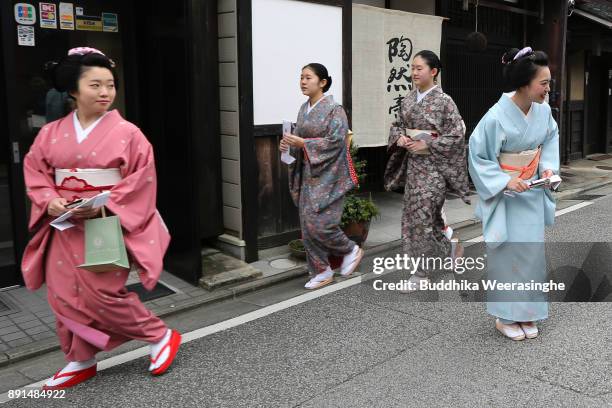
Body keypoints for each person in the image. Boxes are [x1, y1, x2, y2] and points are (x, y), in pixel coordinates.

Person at [21, 47, 181, 389]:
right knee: (63, 295)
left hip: (106, 223)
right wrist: (49, 200)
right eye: (95, 85)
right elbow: (36, 170)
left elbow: (143, 177)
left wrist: (108, 203)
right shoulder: (51, 133)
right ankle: (81, 358)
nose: (106, 92)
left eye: (110, 85)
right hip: (64, 226)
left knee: (101, 292)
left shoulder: (129, 133)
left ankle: (159, 335)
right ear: (74, 90)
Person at [468, 47, 559, 341]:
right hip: (506, 196)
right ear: (524, 83)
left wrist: (546, 170)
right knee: (507, 256)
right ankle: (505, 316)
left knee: (531, 255)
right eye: (543, 83)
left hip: (530, 192)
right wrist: (504, 181)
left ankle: (528, 313)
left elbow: (549, 141)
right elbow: (478, 155)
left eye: (548, 82)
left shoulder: (543, 112)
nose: (548, 88)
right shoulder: (495, 117)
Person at [384, 50, 469, 291]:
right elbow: (397, 126)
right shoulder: (409, 100)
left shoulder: (444, 101)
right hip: (414, 166)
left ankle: (421, 274)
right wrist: (399, 138)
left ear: (434, 72)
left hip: (435, 169)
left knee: (420, 217)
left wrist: (428, 143)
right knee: (425, 218)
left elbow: (456, 134)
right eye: (412, 68)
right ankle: (449, 249)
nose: (413, 73)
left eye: (419, 68)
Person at [281, 63, 363, 290]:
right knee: (307, 225)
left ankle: (350, 249)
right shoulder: (303, 108)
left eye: (308, 77)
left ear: (323, 82)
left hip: (331, 174)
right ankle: (321, 270)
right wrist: (289, 145)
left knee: (322, 224)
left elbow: (336, 142)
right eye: (301, 77)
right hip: (309, 173)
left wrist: (303, 143)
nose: (303, 82)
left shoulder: (335, 109)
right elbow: (297, 140)